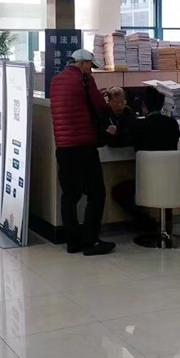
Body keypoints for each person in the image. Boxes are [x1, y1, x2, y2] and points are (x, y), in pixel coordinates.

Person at [50, 49, 116, 256]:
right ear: (82, 63)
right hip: (84, 146)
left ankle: (72, 242)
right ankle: (90, 241)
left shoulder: (55, 81)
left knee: (70, 195)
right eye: (91, 66)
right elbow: (100, 106)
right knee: (96, 194)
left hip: (63, 147)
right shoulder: (85, 80)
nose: (91, 70)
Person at [112, 87, 180, 229]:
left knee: (119, 191)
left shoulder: (139, 126)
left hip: (148, 182)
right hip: (171, 179)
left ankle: (146, 223)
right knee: (165, 186)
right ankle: (167, 222)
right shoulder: (172, 124)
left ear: (144, 107)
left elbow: (119, 142)